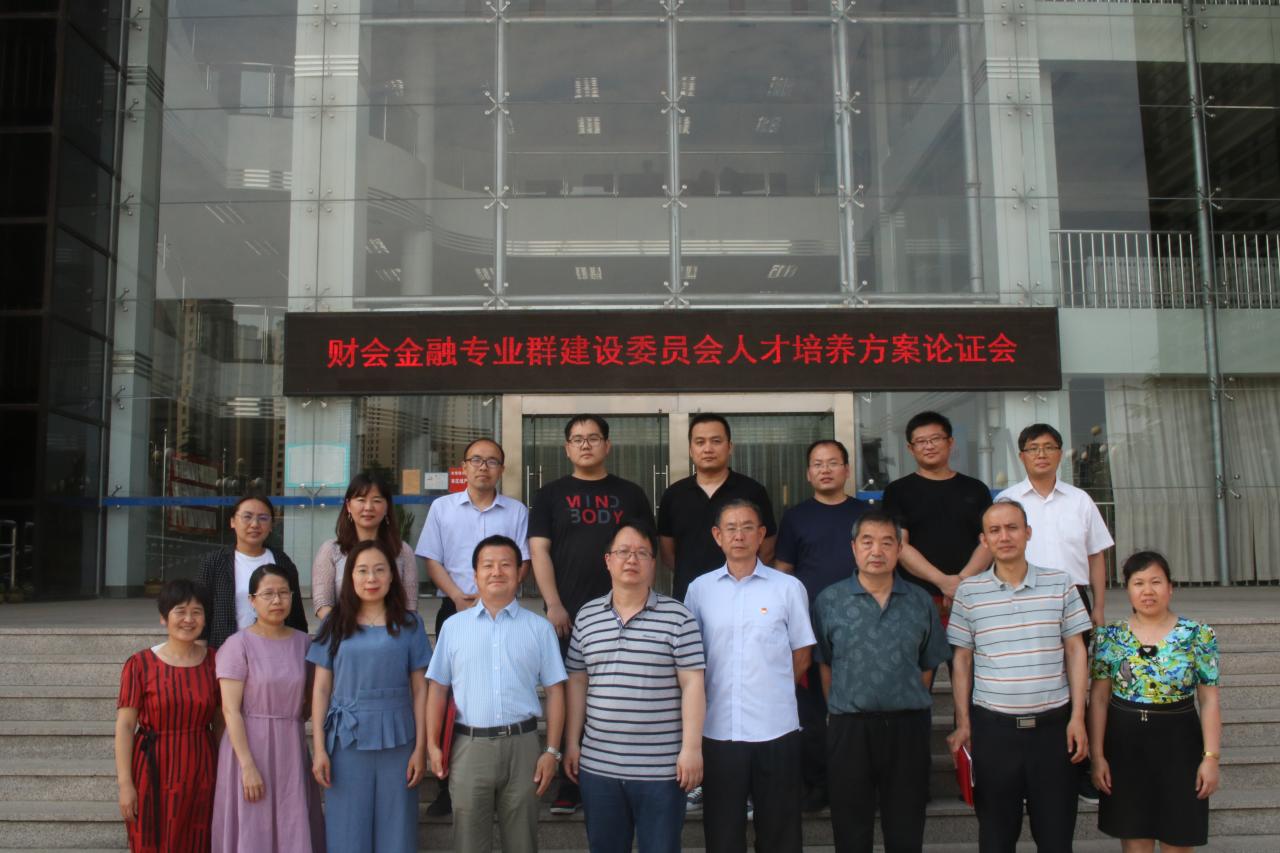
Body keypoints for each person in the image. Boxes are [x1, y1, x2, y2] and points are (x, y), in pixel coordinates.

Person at [946, 499, 1092, 853]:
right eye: (994, 530)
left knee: (1056, 839)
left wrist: (1078, 717)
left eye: (1012, 528)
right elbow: (962, 661)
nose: (1004, 536)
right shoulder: (969, 593)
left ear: (1028, 532)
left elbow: (1076, 650)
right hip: (994, 731)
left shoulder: (1060, 583)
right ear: (984, 540)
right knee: (996, 840)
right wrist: (963, 722)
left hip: (1053, 731)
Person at [529, 414, 651, 814]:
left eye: (593, 438)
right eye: (577, 439)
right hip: (567, 614)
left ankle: (625, 776)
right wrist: (553, 603)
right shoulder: (550, 495)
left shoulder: (630, 494)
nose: (585, 445)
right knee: (569, 692)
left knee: (620, 691)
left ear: (607, 446)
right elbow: (539, 550)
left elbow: (644, 552)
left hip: (625, 613)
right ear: (567, 448)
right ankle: (571, 780)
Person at [812, 510, 951, 853]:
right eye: (867, 542)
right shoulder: (829, 600)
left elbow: (927, 664)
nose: (877, 551)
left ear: (900, 549)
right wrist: (840, 707)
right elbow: (825, 663)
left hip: (908, 727)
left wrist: (901, 695)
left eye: (887, 543)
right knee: (850, 828)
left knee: (906, 826)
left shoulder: (920, 600)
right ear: (854, 548)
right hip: (849, 727)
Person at [564, 519, 706, 853]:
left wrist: (691, 749)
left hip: (662, 770)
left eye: (642, 553)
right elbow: (577, 682)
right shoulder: (586, 616)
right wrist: (571, 742)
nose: (632, 559)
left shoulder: (678, 617)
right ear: (607, 560)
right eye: (623, 552)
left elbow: (693, 685)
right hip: (599, 767)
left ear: (653, 563)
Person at [684, 499, 815, 853]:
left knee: (780, 834)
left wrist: (771, 691)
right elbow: (690, 659)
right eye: (731, 528)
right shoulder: (699, 590)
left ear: (761, 535)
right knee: (723, 834)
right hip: (718, 729)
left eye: (747, 528)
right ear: (717, 536)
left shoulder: (787, 588)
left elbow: (802, 654)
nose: (739, 536)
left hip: (776, 729)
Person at [425, 535, 566, 853]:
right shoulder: (453, 627)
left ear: (520, 573)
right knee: (468, 844)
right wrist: (433, 745)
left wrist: (552, 751)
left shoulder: (539, 628)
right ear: (475, 574)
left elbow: (556, 692)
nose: (496, 572)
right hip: (469, 747)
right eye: (487, 565)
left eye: (506, 564)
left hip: (524, 749)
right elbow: (437, 689)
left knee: (522, 843)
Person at [996, 422, 1114, 803]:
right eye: (1033, 448)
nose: (1041, 454)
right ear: (1021, 456)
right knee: (1034, 681)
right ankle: (1029, 771)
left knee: (1077, 684)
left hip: (1074, 597)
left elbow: (1096, 556)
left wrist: (1098, 606)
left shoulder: (1080, 500)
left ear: (1061, 454)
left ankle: (1080, 768)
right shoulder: (1008, 500)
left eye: (1049, 447)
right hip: (1022, 599)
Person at [416, 437, 529, 816]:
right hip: (455, 608)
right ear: (463, 466)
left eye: (492, 461)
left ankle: (501, 779)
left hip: (503, 612)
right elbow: (432, 559)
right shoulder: (442, 507)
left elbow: (523, 561)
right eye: (476, 460)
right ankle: (446, 783)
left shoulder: (515, 511)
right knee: (451, 695)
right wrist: (459, 597)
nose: (483, 467)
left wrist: (495, 597)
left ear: (502, 468)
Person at [1090, 551, 1221, 851]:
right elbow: (1098, 699)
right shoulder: (1110, 637)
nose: (1147, 591)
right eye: (1138, 583)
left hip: (1180, 746)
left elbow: (1209, 700)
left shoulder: (1197, 635)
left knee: (1179, 839)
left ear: (1170, 587)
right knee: (1135, 840)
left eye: (1156, 582)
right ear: (1127, 589)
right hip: (1125, 747)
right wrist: (1097, 756)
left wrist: (1211, 758)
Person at [308, 539, 431, 853]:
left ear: (392, 576)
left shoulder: (410, 624)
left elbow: (421, 690)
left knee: (397, 829)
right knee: (347, 829)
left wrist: (421, 748)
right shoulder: (334, 623)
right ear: (350, 577)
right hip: (346, 742)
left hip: (399, 740)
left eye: (379, 570)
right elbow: (321, 689)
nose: (371, 578)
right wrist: (319, 748)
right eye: (362, 571)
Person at [773, 438, 869, 811]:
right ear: (808, 473)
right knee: (811, 713)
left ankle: (859, 784)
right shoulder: (796, 517)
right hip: (810, 629)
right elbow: (783, 572)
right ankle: (816, 783)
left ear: (847, 469)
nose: (825, 469)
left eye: (832, 462)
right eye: (817, 463)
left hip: (861, 630)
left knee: (858, 712)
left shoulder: (866, 515)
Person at [212, 564, 325, 852]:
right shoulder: (237, 645)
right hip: (248, 746)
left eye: (284, 593)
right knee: (253, 824)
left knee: (291, 821)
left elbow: (311, 700)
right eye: (268, 594)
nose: (277, 600)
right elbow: (230, 710)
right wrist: (247, 765)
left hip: (291, 746)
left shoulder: (304, 643)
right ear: (252, 600)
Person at [114, 579, 221, 853]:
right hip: (153, 767)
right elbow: (125, 726)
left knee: (199, 839)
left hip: (202, 766)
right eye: (180, 611)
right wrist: (125, 784)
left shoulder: (215, 661)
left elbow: (221, 721)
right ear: (164, 617)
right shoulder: (140, 664)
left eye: (197, 612)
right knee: (151, 840)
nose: (189, 619)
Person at [881, 411, 992, 615]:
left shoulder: (976, 489)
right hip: (916, 599)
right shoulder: (897, 491)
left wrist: (960, 583)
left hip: (973, 596)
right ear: (910, 448)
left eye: (935, 439)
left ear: (950, 442)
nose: (929, 446)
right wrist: (943, 582)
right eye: (921, 441)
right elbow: (899, 545)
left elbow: (988, 542)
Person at [659, 413, 777, 602]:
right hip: (688, 597)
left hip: (744, 596)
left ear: (730, 447)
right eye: (700, 442)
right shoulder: (674, 495)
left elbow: (767, 547)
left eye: (716, 441)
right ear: (690, 450)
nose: (708, 449)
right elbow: (667, 554)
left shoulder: (752, 491)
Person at [198, 491, 307, 649]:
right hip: (226, 651)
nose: (255, 524)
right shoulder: (215, 562)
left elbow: (296, 615)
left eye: (263, 518)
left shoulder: (283, 562)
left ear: (271, 525)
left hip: (276, 651)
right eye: (247, 517)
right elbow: (201, 611)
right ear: (232, 521)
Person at [313, 472, 419, 621]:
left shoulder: (403, 551)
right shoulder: (331, 550)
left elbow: (410, 607)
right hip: (343, 631)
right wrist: (347, 630)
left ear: (387, 506)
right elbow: (322, 603)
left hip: (392, 632)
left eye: (376, 500)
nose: (368, 507)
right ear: (348, 506)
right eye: (361, 500)